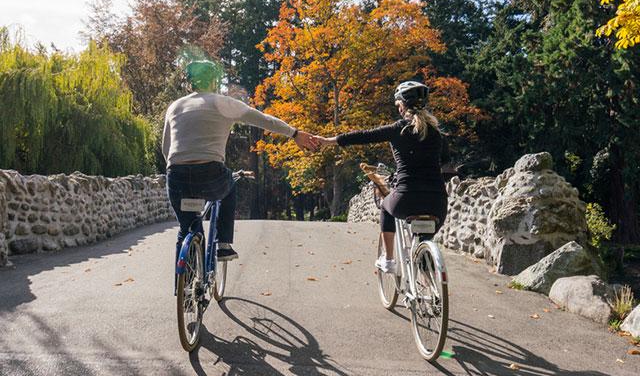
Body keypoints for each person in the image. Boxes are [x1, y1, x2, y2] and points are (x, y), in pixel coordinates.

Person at [162, 60, 318, 268]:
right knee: (229, 185)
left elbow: (166, 147)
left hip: (176, 175)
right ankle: (224, 244)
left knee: (188, 228)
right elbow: (264, 120)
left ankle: (186, 290)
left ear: (190, 82)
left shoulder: (175, 106)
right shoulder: (223, 103)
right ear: (214, 81)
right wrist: (295, 133)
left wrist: (178, 169)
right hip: (210, 173)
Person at [316, 81, 449, 273]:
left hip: (406, 198)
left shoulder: (399, 128)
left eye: (398, 105)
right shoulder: (437, 133)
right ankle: (431, 284)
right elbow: (444, 159)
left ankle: (388, 260)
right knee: (424, 239)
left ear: (402, 105)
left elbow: (363, 136)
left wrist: (328, 141)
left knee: (387, 207)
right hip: (438, 202)